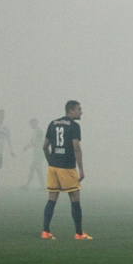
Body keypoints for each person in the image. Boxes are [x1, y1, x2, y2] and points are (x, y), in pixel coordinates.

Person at [41, 100, 91, 240]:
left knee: (52, 199)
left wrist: (51, 162)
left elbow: (45, 146)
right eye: (79, 109)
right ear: (71, 111)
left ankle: (45, 232)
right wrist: (81, 169)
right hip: (67, 167)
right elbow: (76, 148)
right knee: (75, 199)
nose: (81, 112)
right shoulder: (74, 126)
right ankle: (79, 234)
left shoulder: (53, 123)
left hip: (53, 167)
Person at [19, 118, 45, 191]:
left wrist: (26, 146)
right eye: (31, 124)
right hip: (36, 153)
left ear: (36, 123)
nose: (31, 125)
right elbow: (32, 141)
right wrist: (27, 146)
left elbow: (35, 142)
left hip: (39, 153)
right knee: (34, 169)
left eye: (32, 123)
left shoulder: (39, 132)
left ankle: (41, 186)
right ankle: (28, 185)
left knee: (36, 169)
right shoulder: (34, 132)